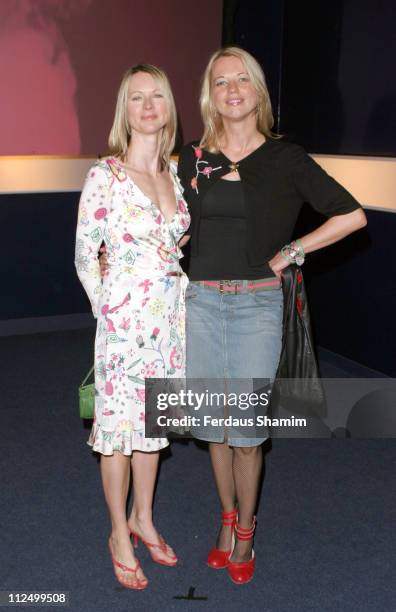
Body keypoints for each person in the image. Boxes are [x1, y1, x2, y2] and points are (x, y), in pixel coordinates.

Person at [176, 46, 367, 585]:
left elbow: (350, 215)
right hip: (201, 303)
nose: (232, 89)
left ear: (258, 91)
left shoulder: (285, 159)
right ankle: (226, 517)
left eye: (242, 79)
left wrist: (292, 252)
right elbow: (181, 229)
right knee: (214, 425)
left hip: (258, 303)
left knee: (247, 430)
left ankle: (245, 534)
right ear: (209, 95)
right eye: (220, 82)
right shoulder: (194, 158)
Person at [75, 64, 190, 590]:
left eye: (157, 96)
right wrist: (110, 311)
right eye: (137, 97)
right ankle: (118, 531)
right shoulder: (107, 174)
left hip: (168, 323)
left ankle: (144, 517)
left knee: (151, 430)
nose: (148, 105)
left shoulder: (173, 171)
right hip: (124, 328)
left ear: (168, 107)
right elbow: (83, 255)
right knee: (118, 436)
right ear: (125, 110)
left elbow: (173, 243)